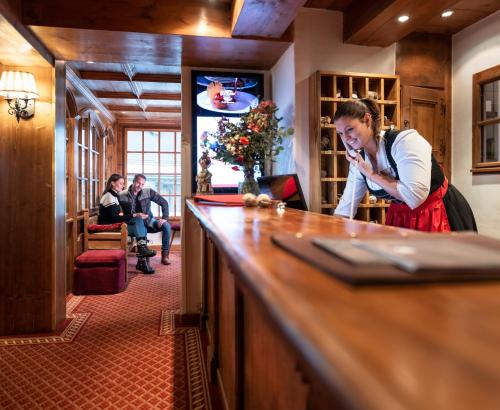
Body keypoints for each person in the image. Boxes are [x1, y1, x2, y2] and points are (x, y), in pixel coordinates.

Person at [333, 99, 477, 232]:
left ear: (367, 119)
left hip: (436, 210)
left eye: (349, 129)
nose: (345, 138)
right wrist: (332, 233)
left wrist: (371, 174)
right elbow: (346, 208)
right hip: (400, 215)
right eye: (340, 133)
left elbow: (414, 196)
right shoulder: (359, 160)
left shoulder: (404, 142)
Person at [99, 174, 157, 274]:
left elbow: (116, 215)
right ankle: (142, 260)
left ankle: (142, 255)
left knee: (138, 222)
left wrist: (134, 215)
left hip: (115, 225)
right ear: (113, 183)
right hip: (110, 227)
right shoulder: (108, 196)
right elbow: (116, 218)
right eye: (121, 183)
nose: (123, 186)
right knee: (138, 222)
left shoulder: (114, 196)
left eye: (123, 184)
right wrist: (134, 215)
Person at [119, 174, 172, 265]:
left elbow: (164, 202)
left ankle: (165, 255)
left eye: (142, 184)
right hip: (133, 224)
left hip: (149, 221)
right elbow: (117, 212)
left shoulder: (148, 192)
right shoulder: (121, 195)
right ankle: (144, 257)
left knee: (166, 226)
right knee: (139, 223)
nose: (140, 186)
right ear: (133, 181)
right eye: (138, 183)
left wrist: (164, 218)